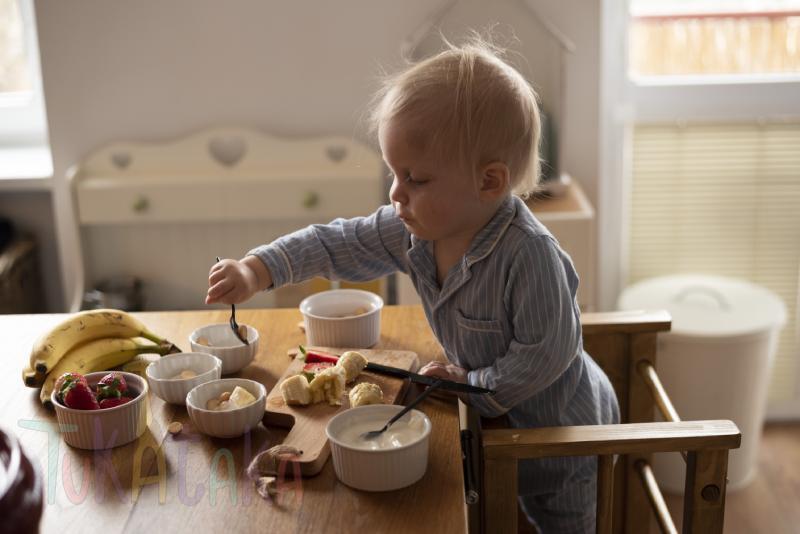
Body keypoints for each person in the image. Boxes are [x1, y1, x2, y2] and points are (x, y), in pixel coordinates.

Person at [206, 36, 618, 533]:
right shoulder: (412, 226)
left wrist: (472, 385)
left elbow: (545, 354)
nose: (396, 193)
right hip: (486, 426)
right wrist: (259, 268)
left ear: (488, 182)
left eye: (416, 179)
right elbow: (337, 242)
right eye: (393, 173)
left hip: (561, 434)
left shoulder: (530, 255)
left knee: (563, 523)